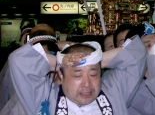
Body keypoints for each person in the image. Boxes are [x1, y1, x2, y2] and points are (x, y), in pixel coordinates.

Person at [4, 28, 147, 114]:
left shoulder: (114, 91)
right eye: (77, 74)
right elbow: (18, 60)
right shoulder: (43, 97)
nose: (87, 84)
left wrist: (95, 59)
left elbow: (138, 54)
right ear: (61, 74)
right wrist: (61, 62)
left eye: (93, 74)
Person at [0, 23, 60, 114]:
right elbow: (5, 93)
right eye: (39, 34)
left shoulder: (61, 62)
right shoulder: (18, 64)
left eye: (47, 34)